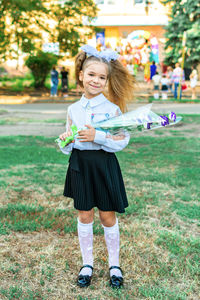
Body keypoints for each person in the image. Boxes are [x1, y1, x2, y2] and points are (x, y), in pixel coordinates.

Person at [58, 45, 134, 289]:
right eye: (91, 75)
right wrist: (65, 141)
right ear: (81, 74)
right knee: (84, 213)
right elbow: (69, 143)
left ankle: (114, 265)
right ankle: (87, 264)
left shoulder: (112, 110)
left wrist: (98, 137)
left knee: (107, 215)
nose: (96, 80)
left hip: (104, 165)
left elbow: (123, 140)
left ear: (107, 80)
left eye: (102, 77)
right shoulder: (73, 109)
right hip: (80, 165)